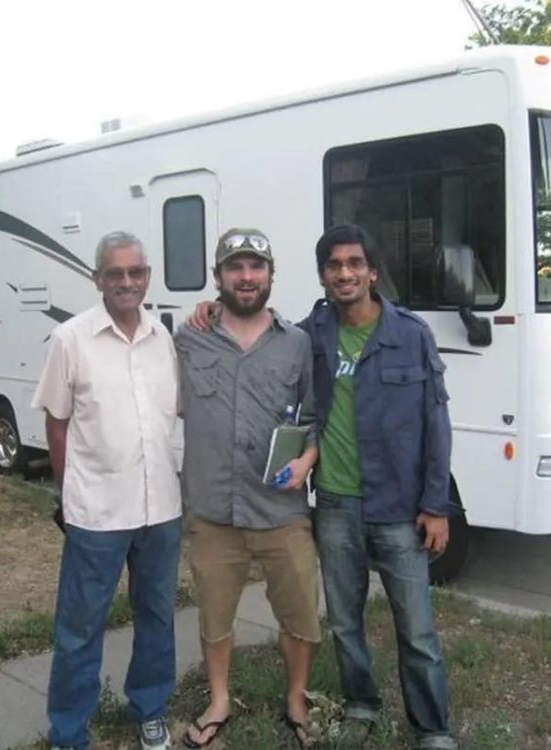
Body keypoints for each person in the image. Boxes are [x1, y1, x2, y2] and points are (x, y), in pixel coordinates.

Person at [188, 223, 457, 749]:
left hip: (398, 506)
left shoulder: (411, 334)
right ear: (321, 276)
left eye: (355, 263)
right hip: (334, 503)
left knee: (418, 631)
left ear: (372, 271)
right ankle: (361, 705)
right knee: (345, 621)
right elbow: (303, 403)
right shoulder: (315, 333)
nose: (345, 273)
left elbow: (436, 423)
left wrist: (436, 504)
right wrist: (210, 307)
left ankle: (432, 728)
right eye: (334, 266)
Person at [31, 231, 181, 750]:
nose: (126, 282)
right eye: (114, 273)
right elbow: (57, 423)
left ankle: (150, 707)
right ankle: (69, 732)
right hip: (95, 513)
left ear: (147, 277)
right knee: (79, 630)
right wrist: (68, 496)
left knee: (158, 617)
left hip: (161, 507)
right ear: (97, 279)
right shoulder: (70, 340)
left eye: (135, 272)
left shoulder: (163, 336)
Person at [176, 228, 321, 748]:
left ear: (270, 275)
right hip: (214, 511)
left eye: (255, 267)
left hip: (281, 510)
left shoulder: (298, 343)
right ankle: (218, 699)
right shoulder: (188, 337)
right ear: (218, 277)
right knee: (214, 617)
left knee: (302, 613)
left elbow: (316, 418)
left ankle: (297, 699)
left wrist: (307, 459)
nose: (246, 276)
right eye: (235, 267)